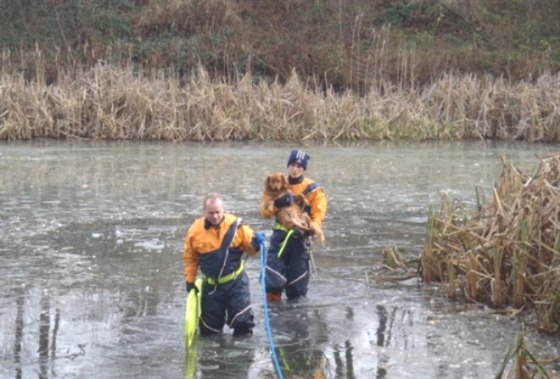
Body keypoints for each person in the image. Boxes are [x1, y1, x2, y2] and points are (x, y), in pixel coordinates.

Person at [183, 192, 265, 337]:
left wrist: (256, 245)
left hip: (236, 283)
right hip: (211, 287)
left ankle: (241, 357)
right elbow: (190, 258)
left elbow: (252, 251)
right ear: (204, 212)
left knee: (243, 324)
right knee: (209, 331)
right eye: (211, 213)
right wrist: (190, 281)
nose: (215, 216)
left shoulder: (238, 227)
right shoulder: (194, 231)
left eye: (218, 212)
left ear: (223, 210)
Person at [260, 149, 327, 301]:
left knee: (297, 287)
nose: (295, 169)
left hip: (300, 239)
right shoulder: (275, 184)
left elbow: (318, 214)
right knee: (273, 281)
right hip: (279, 239)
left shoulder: (314, 189)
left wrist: (310, 229)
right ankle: (273, 312)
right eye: (292, 165)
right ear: (288, 166)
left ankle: (295, 319)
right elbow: (265, 212)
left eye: (299, 166)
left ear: (303, 168)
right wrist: (277, 203)